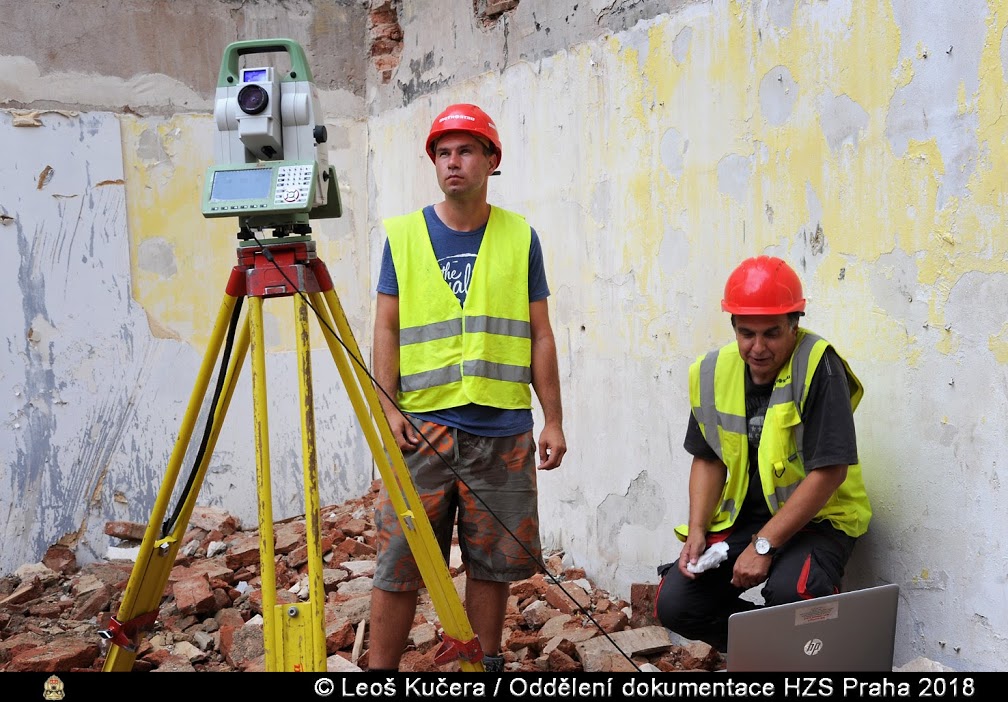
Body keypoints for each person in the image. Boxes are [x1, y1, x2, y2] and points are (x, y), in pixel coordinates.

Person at [367, 103, 567, 673]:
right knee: (399, 561)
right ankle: (378, 674)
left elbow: (540, 332)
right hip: (422, 429)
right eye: (443, 152)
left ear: (491, 160)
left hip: (502, 429)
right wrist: (387, 408)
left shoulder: (520, 237)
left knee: (493, 563)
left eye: (465, 151)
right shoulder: (404, 236)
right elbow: (385, 327)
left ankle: (484, 667)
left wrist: (553, 419)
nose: (452, 162)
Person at [655, 255, 871, 654]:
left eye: (772, 333)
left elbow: (830, 471)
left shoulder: (818, 365)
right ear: (734, 327)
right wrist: (698, 529)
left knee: (792, 595)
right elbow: (708, 458)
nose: (757, 348)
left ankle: (806, 657)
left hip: (820, 519)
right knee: (677, 604)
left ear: (794, 324)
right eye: (746, 333)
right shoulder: (713, 372)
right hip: (746, 519)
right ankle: (772, 657)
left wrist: (763, 546)